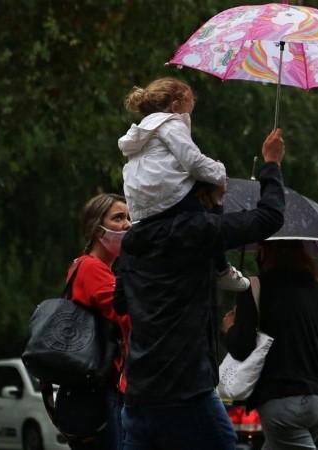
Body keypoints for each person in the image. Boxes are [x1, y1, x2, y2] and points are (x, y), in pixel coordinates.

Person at [116, 128, 286, 450]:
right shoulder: (196, 231)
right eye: (219, 197)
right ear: (202, 193)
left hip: (139, 391)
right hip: (186, 389)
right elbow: (269, 217)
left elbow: (122, 302)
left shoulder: (133, 240)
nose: (220, 205)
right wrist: (272, 164)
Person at [118, 77, 249, 292]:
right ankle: (222, 269)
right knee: (208, 224)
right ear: (176, 106)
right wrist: (219, 172)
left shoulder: (142, 132)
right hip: (167, 196)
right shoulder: (171, 124)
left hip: (141, 205)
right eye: (189, 109)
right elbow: (193, 161)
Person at [223, 240, 318, 450]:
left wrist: (230, 327)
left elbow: (240, 347)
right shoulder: (316, 290)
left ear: (264, 252)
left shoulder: (254, 286)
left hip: (283, 403)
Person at [53, 193, 132, 450]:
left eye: (130, 217)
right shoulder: (91, 267)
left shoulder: (87, 266)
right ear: (95, 228)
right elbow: (127, 318)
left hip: (88, 391)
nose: (128, 225)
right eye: (118, 218)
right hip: (94, 393)